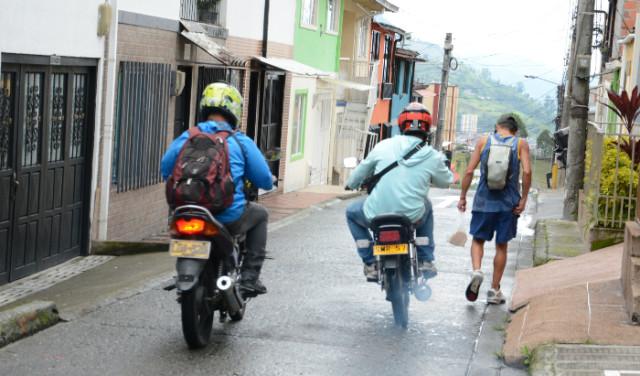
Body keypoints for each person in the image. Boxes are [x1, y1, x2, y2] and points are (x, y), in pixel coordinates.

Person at [161, 82, 274, 296]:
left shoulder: (187, 136)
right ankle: (250, 278)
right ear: (235, 112)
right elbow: (266, 182)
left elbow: (165, 170)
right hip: (227, 216)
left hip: (185, 212)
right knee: (260, 215)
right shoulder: (240, 141)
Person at [345, 102, 454, 280]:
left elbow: (361, 172)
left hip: (376, 215)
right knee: (427, 205)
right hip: (412, 217)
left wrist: (351, 183)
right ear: (427, 128)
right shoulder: (433, 155)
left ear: (402, 125)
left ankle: (370, 261)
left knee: (351, 212)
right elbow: (445, 182)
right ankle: (425, 259)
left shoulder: (383, 146)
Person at [457, 114, 532, 304]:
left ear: (498, 126)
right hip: (508, 203)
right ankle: (494, 290)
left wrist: (463, 197)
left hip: (483, 200)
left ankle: (477, 271)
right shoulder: (520, 144)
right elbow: (528, 171)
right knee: (501, 245)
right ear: (516, 131)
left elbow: (468, 171)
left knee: (478, 240)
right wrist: (523, 199)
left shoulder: (483, 141)